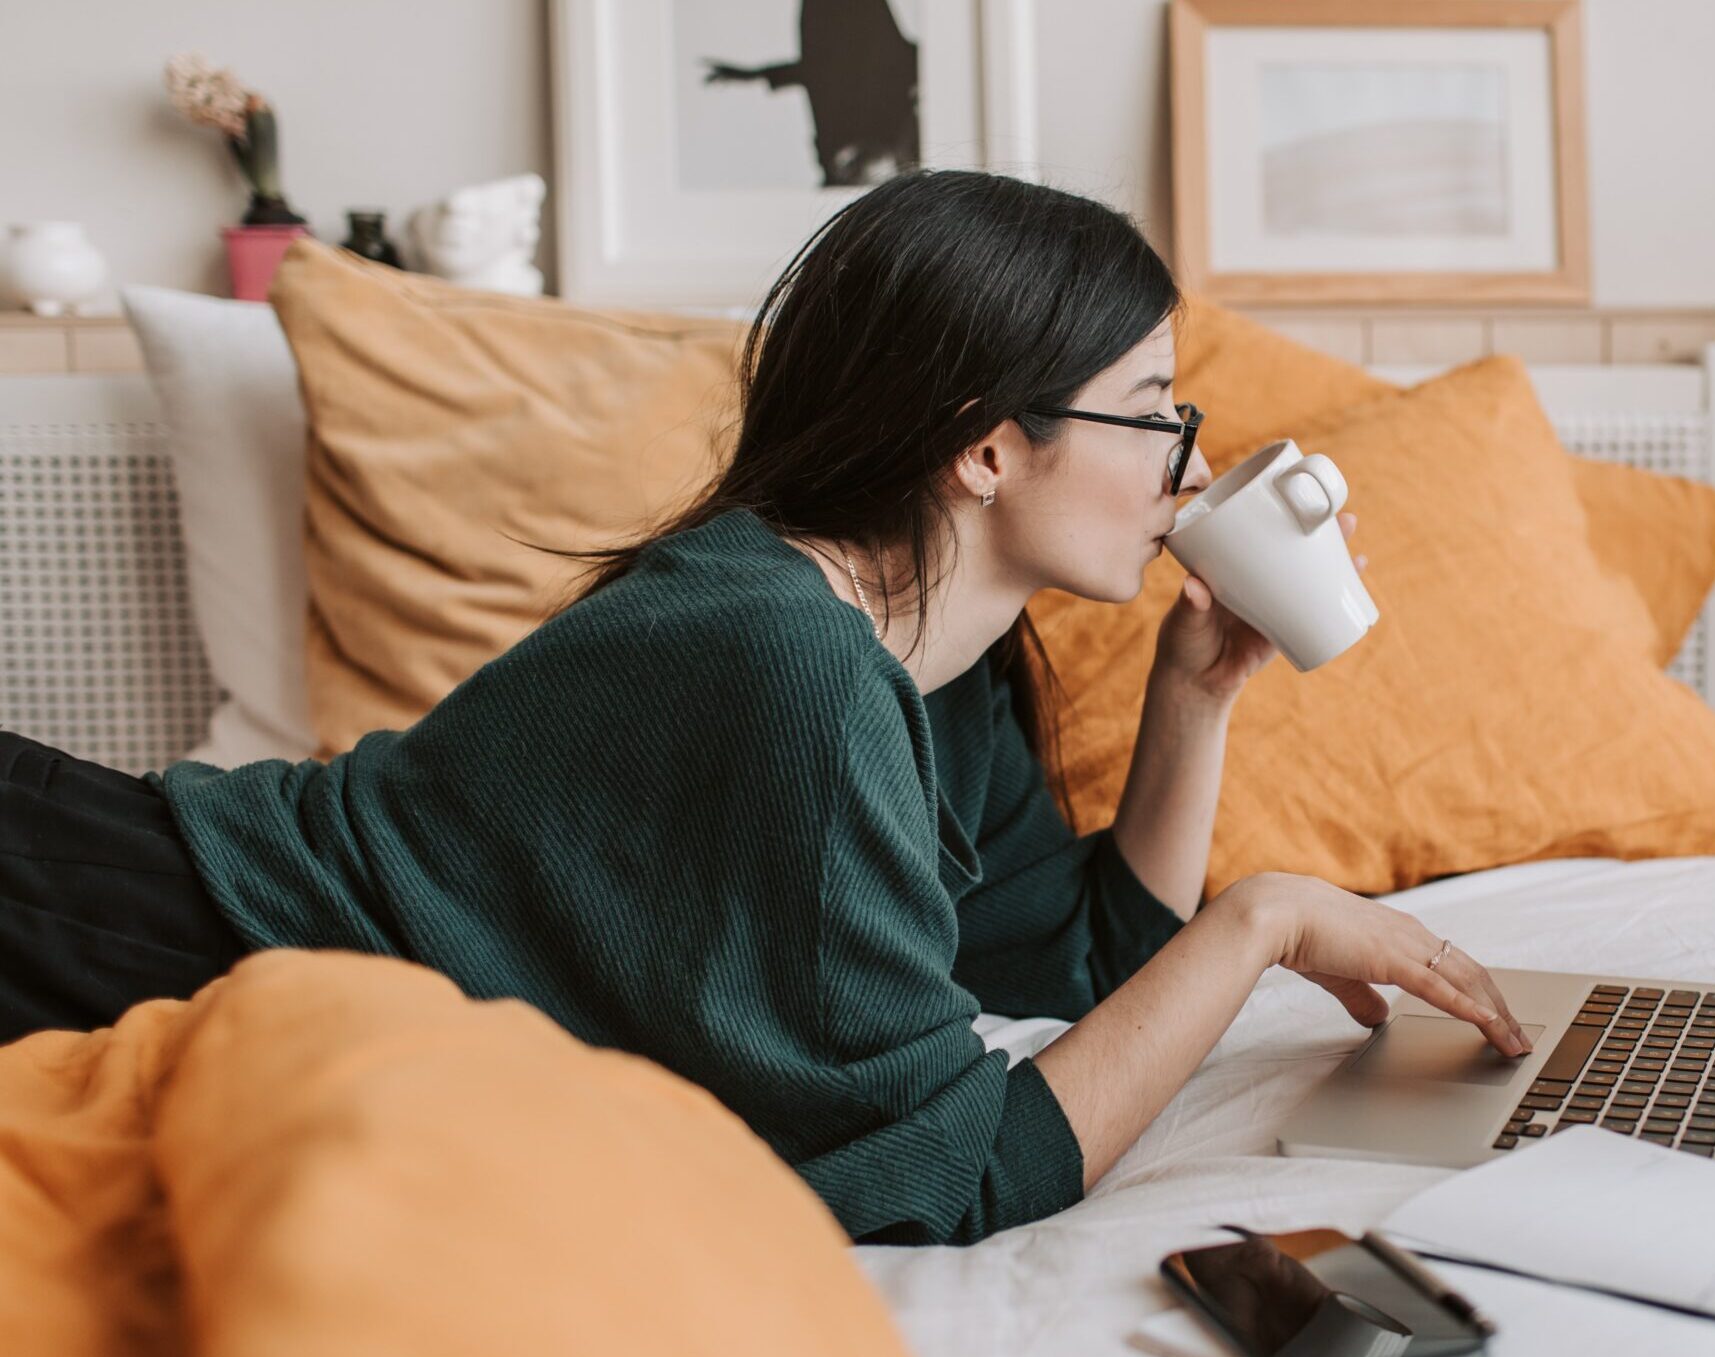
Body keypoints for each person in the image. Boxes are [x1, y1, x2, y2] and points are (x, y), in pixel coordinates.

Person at [0, 170, 1528, 1245]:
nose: (1189, 466)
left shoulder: (942, 654)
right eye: (1155, 410)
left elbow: (1072, 970)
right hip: (132, 930)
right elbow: (967, 1171)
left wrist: (1196, 700)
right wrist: (1258, 920)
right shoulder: (787, 663)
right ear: (985, 450)